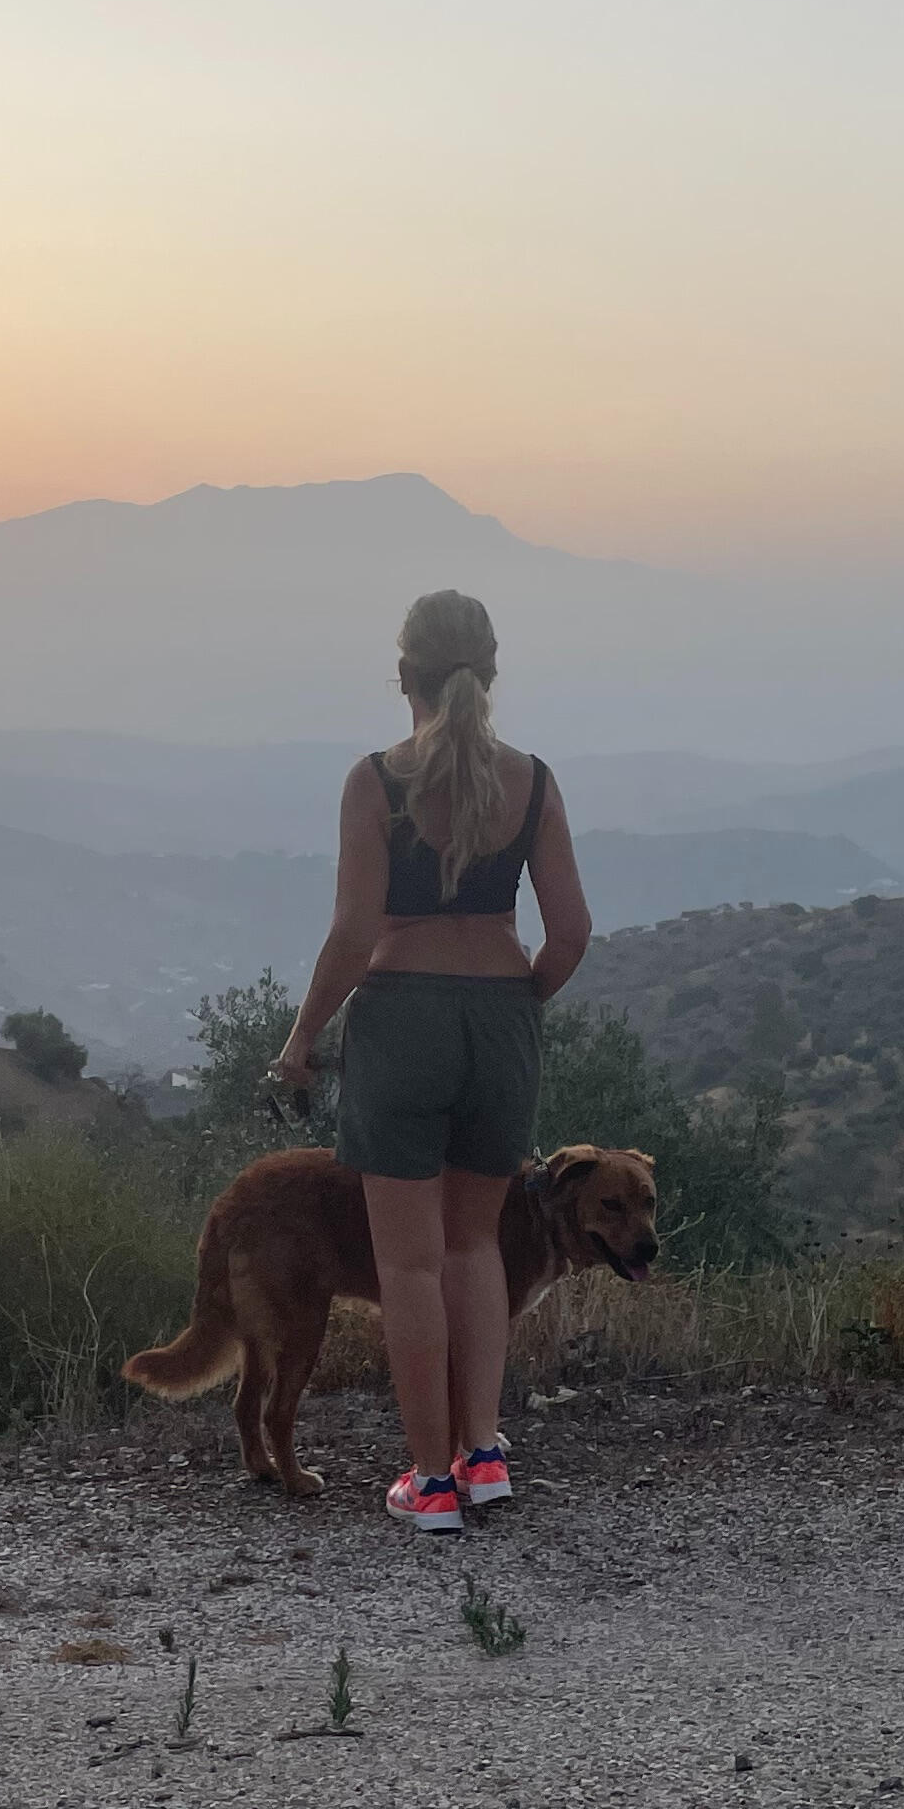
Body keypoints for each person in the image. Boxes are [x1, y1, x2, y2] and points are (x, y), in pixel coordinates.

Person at [269, 589, 591, 1528]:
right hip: (501, 1019)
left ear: (402, 674)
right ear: (489, 673)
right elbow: (571, 933)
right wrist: (516, 1001)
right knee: (473, 1243)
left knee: (408, 1264)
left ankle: (429, 1480)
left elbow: (352, 933)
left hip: (400, 1017)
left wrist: (300, 1040)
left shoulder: (376, 782)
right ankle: (482, 1455)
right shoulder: (533, 783)